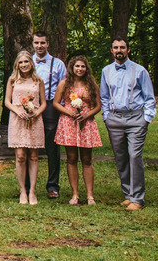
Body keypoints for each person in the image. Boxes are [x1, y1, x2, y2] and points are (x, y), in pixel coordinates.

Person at [100, 38, 156, 211]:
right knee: (121, 157)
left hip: (135, 119)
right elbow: (104, 96)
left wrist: (146, 119)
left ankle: (138, 198)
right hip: (115, 119)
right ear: (111, 50)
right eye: (116, 47)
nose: (119, 50)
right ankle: (128, 194)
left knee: (134, 155)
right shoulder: (106, 71)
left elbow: (149, 98)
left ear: (128, 50)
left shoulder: (139, 71)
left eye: (122, 47)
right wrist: (106, 117)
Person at [53, 55, 103, 205]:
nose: (80, 69)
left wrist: (87, 114)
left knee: (87, 160)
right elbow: (56, 103)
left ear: (86, 69)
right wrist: (69, 113)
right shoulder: (64, 84)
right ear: (72, 68)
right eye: (77, 66)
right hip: (68, 122)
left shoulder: (91, 84)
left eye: (83, 66)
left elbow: (98, 106)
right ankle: (75, 194)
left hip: (86, 123)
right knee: (72, 158)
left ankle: (90, 195)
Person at [5, 50, 46, 205]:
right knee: (21, 156)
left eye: (26, 62)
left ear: (31, 63)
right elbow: (7, 102)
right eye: (21, 62)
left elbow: (43, 103)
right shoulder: (13, 80)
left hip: (34, 120)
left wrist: (36, 113)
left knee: (34, 156)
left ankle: (33, 191)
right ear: (17, 64)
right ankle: (23, 190)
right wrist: (17, 111)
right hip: (17, 119)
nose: (24, 65)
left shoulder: (38, 81)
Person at [30, 31, 66, 199]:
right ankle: (28, 187)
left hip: (51, 105)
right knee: (29, 146)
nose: (39, 46)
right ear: (33, 44)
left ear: (48, 44)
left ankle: (53, 186)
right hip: (30, 106)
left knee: (52, 147)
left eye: (42, 43)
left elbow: (64, 87)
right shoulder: (27, 62)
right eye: (37, 43)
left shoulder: (58, 64)